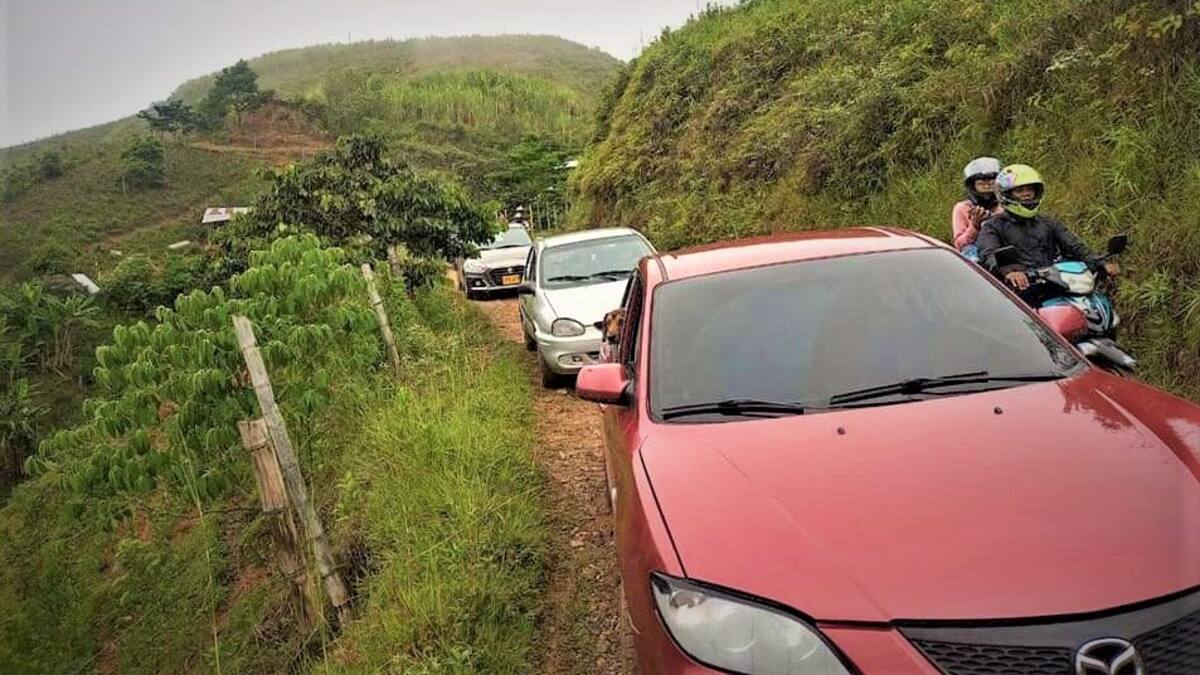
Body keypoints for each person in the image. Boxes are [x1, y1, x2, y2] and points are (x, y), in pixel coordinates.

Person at [976, 163, 1119, 301]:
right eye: (1019, 191)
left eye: (1030, 189)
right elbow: (988, 254)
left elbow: (1074, 246)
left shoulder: (1048, 222)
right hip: (1017, 295)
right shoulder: (992, 227)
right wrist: (1010, 272)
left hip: (1056, 285)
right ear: (1005, 194)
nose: (1026, 194)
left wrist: (1101, 263)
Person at [951, 157, 1003, 260]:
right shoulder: (963, 208)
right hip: (978, 257)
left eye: (991, 183)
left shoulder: (1005, 206)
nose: (987, 187)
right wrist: (975, 226)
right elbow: (959, 244)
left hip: (1002, 251)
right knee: (969, 251)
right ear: (973, 186)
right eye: (981, 184)